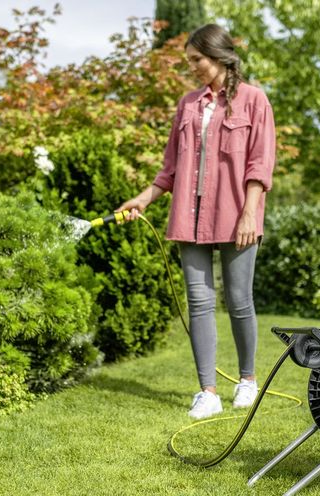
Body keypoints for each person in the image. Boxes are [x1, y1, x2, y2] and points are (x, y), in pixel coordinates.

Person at [117, 23, 276, 419]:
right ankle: (207, 391)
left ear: (219, 57)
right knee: (199, 303)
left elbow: (260, 164)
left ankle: (247, 381)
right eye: (189, 61)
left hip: (237, 214)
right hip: (190, 216)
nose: (192, 68)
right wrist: (143, 198)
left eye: (197, 60)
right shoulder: (188, 105)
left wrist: (249, 212)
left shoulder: (254, 101)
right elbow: (170, 168)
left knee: (239, 302)